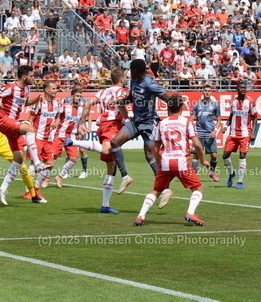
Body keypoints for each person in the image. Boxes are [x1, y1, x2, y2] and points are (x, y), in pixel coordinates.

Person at [69, 59, 169, 194]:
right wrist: (122, 105)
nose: (128, 73)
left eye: (130, 70)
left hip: (146, 122)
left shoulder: (149, 84)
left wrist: (172, 114)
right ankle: (125, 177)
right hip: (126, 122)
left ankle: (161, 187)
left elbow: (166, 98)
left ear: (135, 70)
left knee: (145, 155)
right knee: (112, 146)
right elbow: (129, 99)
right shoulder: (130, 84)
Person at [133, 94, 208, 226]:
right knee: (197, 188)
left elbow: (155, 148)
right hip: (182, 162)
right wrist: (202, 160)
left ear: (168, 108)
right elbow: (197, 144)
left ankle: (140, 216)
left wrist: (159, 164)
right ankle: (190, 213)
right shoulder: (186, 122)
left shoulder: (161, 124)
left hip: (165, 162)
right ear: (182, 107)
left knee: (156, 190)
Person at [0, 65, 49, 205]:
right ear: (24, 76)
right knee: (29, 129)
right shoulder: (10, 87)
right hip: (4, 120)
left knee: (18, 160)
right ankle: (37, 163)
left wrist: (37, 99)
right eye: (31, 76)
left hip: (13, 123)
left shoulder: (27, 89)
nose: (33, 78)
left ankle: (2, 189)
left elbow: (25, 102)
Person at [71, 68, 128, 213]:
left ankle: (105, 205)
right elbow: (121, 104)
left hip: (102, 126)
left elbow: (87, 104)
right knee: (106, 150)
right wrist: (127, 119)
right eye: (125, 77)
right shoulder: (122, 91)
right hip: (112, 125)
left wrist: (82, 122)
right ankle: (73, 142)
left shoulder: (102, 92)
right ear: (121, 79)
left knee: (111, 167)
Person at [221, 81, 258, 189]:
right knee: (225, 156)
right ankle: (232, 173)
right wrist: (226, 126)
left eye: (244, 87)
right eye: (241, 88)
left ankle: (240, 181)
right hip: (233, 133)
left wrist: (253, 132)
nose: (243, 89)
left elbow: (255, 117)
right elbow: (231, 116)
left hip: (245, 133)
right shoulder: (233, 102)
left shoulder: (251, 101)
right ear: (237, 89)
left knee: (242, 156)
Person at [27, 81, 59, 195]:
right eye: (53, 88)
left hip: (49, 138)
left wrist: (56, 122)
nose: (56, 90)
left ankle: (36, 188)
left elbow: (58, 116)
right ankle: (28, 192)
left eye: (56, 88)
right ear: (46, 90)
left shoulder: (56, 103)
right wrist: (31, 135)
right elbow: (30, 119)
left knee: (50, 164)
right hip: (38, 137)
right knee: (34, 164)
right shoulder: (39, 102)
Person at [52, 88, 87, 189]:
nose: (79, 98)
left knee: (73, 159)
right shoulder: (64, 106)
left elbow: (81, 123)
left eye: (80, 97)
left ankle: (59, 177)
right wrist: (55, 123)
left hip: (71, 137)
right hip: (60, 135)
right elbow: (58, 117)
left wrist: (82, 130)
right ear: (72, 96)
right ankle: (44, 178)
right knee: (53, 158)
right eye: (77, 96)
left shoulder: (81, 109)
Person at [190, 84, 222, 182]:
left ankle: (211, 173)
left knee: (214, 155)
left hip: (210, 134)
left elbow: (219, 120)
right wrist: (192, 130)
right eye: (205, 91)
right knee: (196, 155)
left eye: (209, 91)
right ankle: (194, 176)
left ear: (211, 92)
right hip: (199, 134)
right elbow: (191, 118)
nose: (207, 92)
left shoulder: (215, 105)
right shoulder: (197, 104)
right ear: (202, 92)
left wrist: (215, 131)